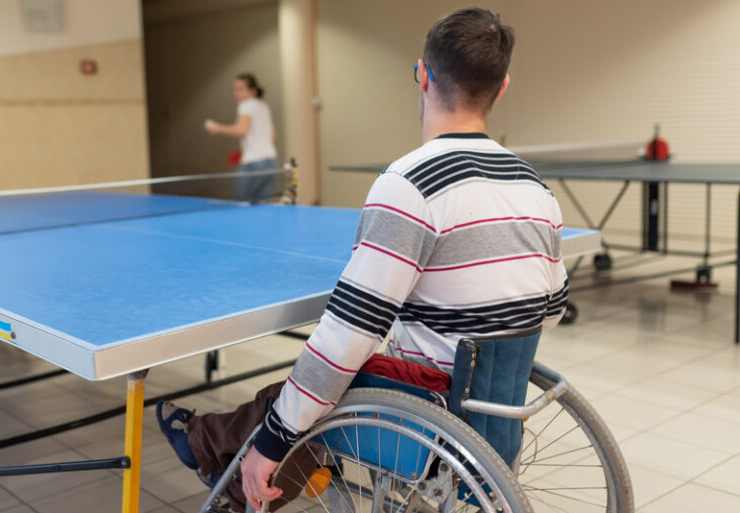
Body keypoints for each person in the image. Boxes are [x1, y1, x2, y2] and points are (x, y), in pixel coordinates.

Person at [159, 7, 567, 510]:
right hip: (492, 410)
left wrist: (272, 441)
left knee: (303, 391)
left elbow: (350, 332)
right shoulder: (535, 187)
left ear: (422, 74)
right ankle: (217, 446)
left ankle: (218, 450)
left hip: (428, 415)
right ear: (502, 87)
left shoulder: (410, 185)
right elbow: (552, 311)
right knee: (325, 384)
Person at [205, 73, 278, 203]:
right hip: (271, 161)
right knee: (262, 205)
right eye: (235, 89)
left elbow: (242, 130)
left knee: (242, 204)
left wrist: (218, 128)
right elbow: (272, 135)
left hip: (253, 163)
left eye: (240, 89)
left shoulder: (246, 105)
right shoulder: (263, 106)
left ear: (253, 91)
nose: (236, 93)